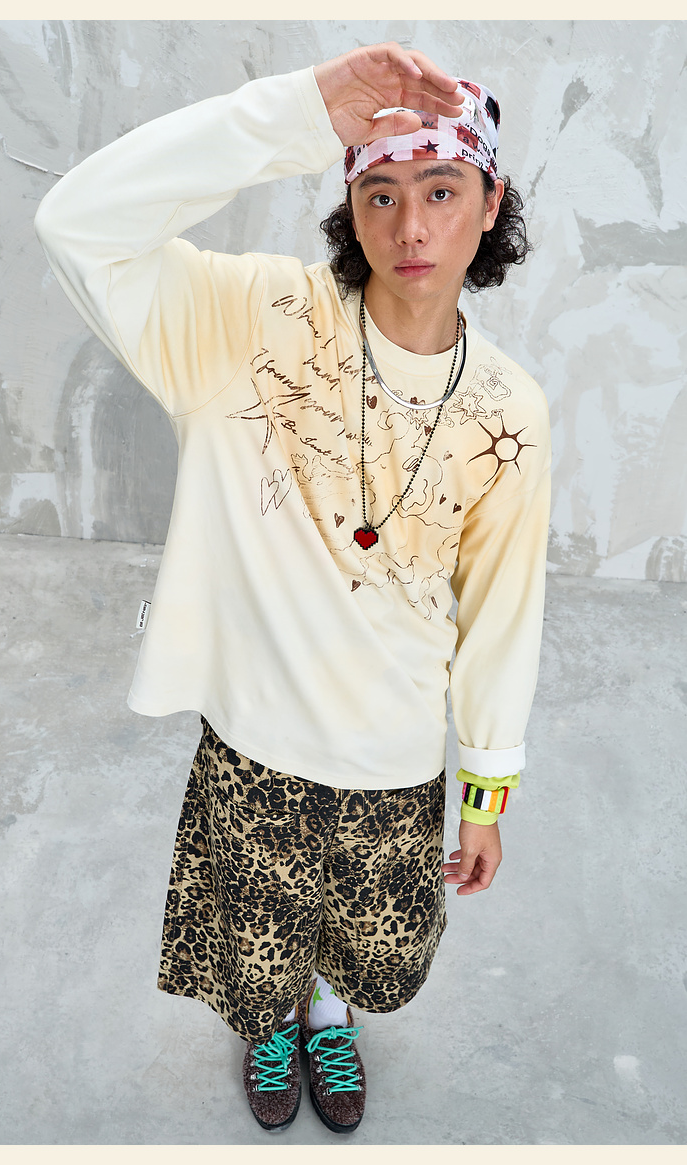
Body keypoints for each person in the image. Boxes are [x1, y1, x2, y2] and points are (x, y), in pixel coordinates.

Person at [35, 41, 550, 1135]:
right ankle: (273, 1019)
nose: (411, 229)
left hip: (395, 753)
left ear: (490, 202)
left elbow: (504, 608)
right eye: (380, 194)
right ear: (350, 208)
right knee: (255, 937)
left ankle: (326, 1013)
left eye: (442, 191)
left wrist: (486, 792)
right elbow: (78, 222)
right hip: (255, 740)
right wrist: (299, 111)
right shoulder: (249, 319)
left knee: (369, 948)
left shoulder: (510, 408)